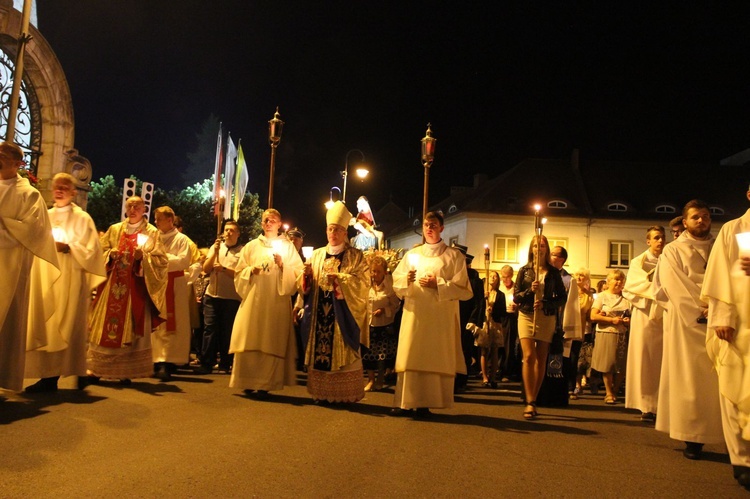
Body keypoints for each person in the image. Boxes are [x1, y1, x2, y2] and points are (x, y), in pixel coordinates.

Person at [653, 199, 723, 460]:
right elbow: (675, 285)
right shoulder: (673, 251)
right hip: (689, 323)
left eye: (705, 216)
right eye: (696, 217)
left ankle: (726, 433)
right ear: (685, 222)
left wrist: (719, 307)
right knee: (691, 382)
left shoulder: (722, 245)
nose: (702, 221)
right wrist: (703, 309)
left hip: (721, 319)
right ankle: (692, 437)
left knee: (721, 382)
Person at [24, 173, 106, 392]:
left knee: (68, 325)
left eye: (64, 187)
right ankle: (47, 375)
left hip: (71, 279)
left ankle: (70, 371)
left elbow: (93, 251)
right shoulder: (45, 215)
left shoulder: (83, 218)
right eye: (56, 187)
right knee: (47, 323)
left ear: (73, 192)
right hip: (46, 277)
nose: (59, 190)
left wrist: (69, 247)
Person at [390, 211, 473, 418]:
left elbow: (463, 289)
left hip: (438, 318)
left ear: (441, 228)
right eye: (427, 224)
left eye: (433, 225)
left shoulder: (453, 256)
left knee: (433, 356)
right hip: (415, 314)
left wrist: (439, 284)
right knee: (411, 355)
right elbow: (397, 282)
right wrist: (407, 279)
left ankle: (427, 403)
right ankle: (405, 402)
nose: (429, 228)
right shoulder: (412, 255)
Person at [88, 196, 168, 383]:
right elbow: (99, 251)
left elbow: (162, 261)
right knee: (104, 327)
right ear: (125, 208)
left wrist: (143, 258)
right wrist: (110, 254)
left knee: (131, 328)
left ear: (144, 209)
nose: (133, 209)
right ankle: (97, 369)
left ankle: (126, 371)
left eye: (137, 206)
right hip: (112, 287)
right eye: (130, 205)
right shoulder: (115, 229)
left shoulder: (152, 232)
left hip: (135, 288)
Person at [0, 142, 59, 392]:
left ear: (18, 164)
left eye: (3, 157)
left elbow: (33, 232)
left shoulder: (29, 194)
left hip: (11, 265)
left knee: (6, 323)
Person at [702, 185, 750, 489]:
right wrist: (721, 316)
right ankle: (742, 460)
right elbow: (720, 273)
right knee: (734, 384)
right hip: (740, 321)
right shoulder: (734, 229)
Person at [299, 201, 369, 403]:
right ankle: (321, 393)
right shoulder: (317, 254)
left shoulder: (356, 256)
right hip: (318, 314)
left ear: (345, 232)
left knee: (343, 352)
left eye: (337, 229)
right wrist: (306, 276)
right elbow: (305, 287)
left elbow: (363, 283)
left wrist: (340, 280)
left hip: (342, 315)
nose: (333, 233)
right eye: (330, 229)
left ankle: (343, 395)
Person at [229, 209, 303, 398]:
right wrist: (249, 272)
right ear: (262, 224)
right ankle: (246, 381)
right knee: (250, 336)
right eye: (265, 220)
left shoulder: (288, 247)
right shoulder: (252, 246)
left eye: (273, 220)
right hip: (254, 300)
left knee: (271, 338)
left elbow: (298, 274)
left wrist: (282, 266)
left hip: (275, 302)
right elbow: (239, 272)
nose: (269, 222)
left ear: (279, 224)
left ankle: (265, 384)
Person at [513, 235, 567, 419]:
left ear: (547, 249)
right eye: (536, 246)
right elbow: (516, 297)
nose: (539, 249)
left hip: (546, 317)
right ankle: (528, 400)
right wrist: (530, 291)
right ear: (532, 249)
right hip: (526, 315)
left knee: (541, 358)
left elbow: (562, 298)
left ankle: (534, 398)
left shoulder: (553, 273)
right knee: (528, 356)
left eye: (542, 245)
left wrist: (545, 303)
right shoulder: (524, 271)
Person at [623, 226, 665, 422]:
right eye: (656, 238)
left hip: (665, 313)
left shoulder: (670, 259)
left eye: (662, 237)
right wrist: (655, 291)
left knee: (664, 360)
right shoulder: (636, 263)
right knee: (645, 359)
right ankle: (646, 405)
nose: (660, 241)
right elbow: (631, 288)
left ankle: (664, 404)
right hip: (645, 313)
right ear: (648, 241)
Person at [151, 206, 193, 381]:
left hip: (174, 285)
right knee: (156, 324)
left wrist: (161, 259)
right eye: (155, 219)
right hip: (156, 285)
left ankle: (168, 362)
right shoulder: (153, 238)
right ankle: (154, 360)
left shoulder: (182, 239)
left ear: (170, 220)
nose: (155, 222)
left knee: (172, 324)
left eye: (159, 219)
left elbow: (183, 261)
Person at [196, 220, 243, 374]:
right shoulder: (216, 248)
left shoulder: (242, 252)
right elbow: (206, 269)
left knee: (227, 330)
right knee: (209, 329)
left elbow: (240, 274)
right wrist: (215, 253)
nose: (228, 233)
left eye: (231, 230)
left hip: (231, 297)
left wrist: (223, 269)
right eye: (226, 230)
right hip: (212, 295)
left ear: (238, 234)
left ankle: (225, 362)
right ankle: (206, 362)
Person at [590, 270, 630, 404]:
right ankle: (608, 391)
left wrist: (627, 321)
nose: (619, 282)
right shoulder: (601, 296)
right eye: (616, 279)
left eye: (621, 280)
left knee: (621, 365)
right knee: (608, 364)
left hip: (622, 334)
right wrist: (611, 320)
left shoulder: (626, 298)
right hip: (606, 333)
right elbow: (593, 316)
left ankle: (616, 389)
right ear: (608, 282)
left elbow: (632, 315)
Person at [362, 255, 400, 392]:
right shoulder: (367, 286)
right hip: (369, 325)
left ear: (384, 272)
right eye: (372, 271)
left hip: (384, 325)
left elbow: (396, 305)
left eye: (378, 271)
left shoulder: (389, 288)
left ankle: (380, 379)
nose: (375, 274)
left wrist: (384, 310)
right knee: (368, 354)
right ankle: (370, 379)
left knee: (381, 355)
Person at [455, 244, 484, 392]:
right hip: (452, 317)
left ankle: (461, 381)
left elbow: (479, 302)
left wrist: (474, 321)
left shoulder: (474, 280)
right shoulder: (451, 276)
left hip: (466, 319)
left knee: (464, 350)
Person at [570, 268, 594, 399]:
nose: (579, 277)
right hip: (567, 329)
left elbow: (590, 314)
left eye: (582, 276)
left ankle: (574, 387)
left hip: (581, 330)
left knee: (577, 359)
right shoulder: (569, 291)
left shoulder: (589, 296)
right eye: (577, 275)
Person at [495, 265, 520, 382]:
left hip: (510, 317)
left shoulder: (516, 288)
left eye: (508, 277)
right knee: (497, 344)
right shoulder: (498, 287)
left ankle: (507, 370)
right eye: (503, 277)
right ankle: (496, 368)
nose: (505, 280)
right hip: (499, 316)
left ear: (512, 276)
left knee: (508, 344)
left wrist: (517, 307)